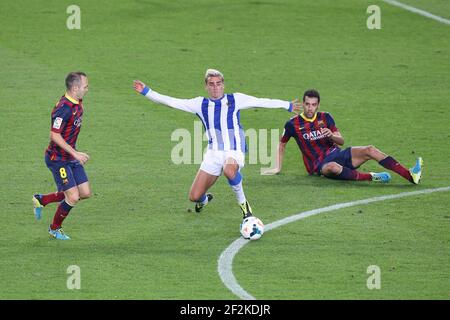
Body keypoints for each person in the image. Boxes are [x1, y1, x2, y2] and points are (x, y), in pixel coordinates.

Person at [133, 69, 301, 218]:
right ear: (206, 87)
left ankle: (245, 207)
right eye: (211, 84)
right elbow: (172, 102)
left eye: (218, 84)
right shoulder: (200, 104)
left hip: (234, 149)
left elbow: (261, 101)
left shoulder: (236, 99)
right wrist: (146, 91)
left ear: (223, 85)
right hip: (214, 153)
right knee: (194, 196)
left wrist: (287, 105)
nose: (215, 87)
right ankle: (205, 200)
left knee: (229, 170)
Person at [262, 89, 423, 184]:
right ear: (303, 104)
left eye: (313, 104)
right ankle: (371, 177)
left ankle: (410, 175)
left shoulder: (326, 117)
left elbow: (341, 140)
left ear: (318, 105)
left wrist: (331, 135)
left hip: (339, 154)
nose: (310, 108)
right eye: (307, 104)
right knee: (332, 167)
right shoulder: (293, 124)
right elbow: (282, 144)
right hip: (319, 166)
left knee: (370, 149)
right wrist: (277, 167)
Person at [32, 72, 91, 240]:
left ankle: (41, 200)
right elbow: (54, 135)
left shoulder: (77, 101)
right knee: (72, 196)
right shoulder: (63, 109)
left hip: (70, 156)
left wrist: (74, 153)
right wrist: (75, 153)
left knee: (84, 193)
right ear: (75, 88)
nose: (87, 89)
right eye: (85, 87)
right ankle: (54, 228)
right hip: (57, 159)